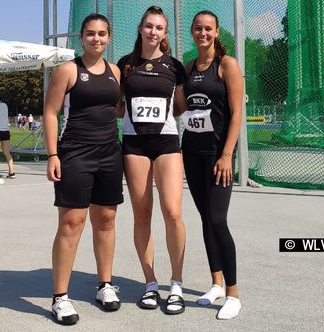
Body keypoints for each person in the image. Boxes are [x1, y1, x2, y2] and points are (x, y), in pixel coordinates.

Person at [44, 13, 123, 326]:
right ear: (81, 37)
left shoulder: (115, 71)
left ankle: (105, 285)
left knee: (106, 218)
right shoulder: (67, 70)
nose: (97, 39)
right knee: (72, 222)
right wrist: (53, 154)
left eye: (102, 34)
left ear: (108, 36)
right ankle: (60, 297)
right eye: (91, 34)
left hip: (109, 154)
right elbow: (50, 113)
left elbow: (115, 108)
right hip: (75, 153)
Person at [117, 5, 187, 315]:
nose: (153, 32)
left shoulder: (174, 66)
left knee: (172, 212)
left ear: (164, 33)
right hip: (134, 146)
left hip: (167, 143)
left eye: (159, 27)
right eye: (149, 26)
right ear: (141, 29)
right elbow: (118, 106)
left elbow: (181, 106)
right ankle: (150, 283)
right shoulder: (125, 65)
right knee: (141, 214)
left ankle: (176, 283)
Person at [180, 11, 243, 320]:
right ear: (192, 32)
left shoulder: (227, 65)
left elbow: (236, 113)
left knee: (218, 220)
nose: (202, 33)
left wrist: (227, 154)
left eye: (208, 29)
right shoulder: (189, 67)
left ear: (217, 32)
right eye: (197, 28)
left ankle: (233, 292)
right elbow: (181, 107)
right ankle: (216, 282)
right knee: (205, 219)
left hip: (219, 157)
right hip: (192, 153)